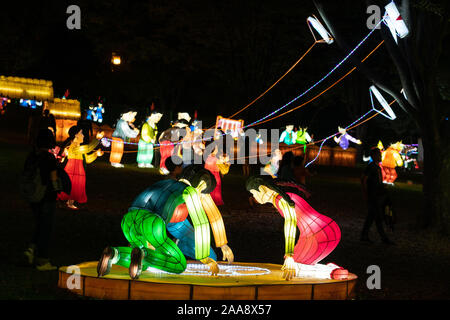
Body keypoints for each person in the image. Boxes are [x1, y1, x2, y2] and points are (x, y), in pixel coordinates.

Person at [96, 163, 229, 279]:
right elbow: (201, 223)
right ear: (201, 185)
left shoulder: (164, 182)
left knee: (143, 262)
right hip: (152, 224)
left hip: (128, 221)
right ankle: (142, 254)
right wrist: (206, 258)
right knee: (179, 264)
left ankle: (114, 254)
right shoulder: (190, 191)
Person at [246, 175, 348, 280]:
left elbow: (290, 222)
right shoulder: (283, 197)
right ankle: (331, 269)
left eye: (254, 193)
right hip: (325, 229)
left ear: (263, 189)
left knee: (292, 268)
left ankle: (332, 273)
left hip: (319, 234)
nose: (254, 197)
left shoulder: (282, 200)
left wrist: (289, 254)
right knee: (290, 266)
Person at [22, 129, 63, 270]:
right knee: (46, 227)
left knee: (39, 223)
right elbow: (53, 177)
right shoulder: (49, 158)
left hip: (33, 195)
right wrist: (58, 190)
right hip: (46, 196)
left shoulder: (32, 156)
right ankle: (42, 260)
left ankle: (31, 250)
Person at [57, 126, 104, 209]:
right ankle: (61, 202)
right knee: (70, 185)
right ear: (76, 136)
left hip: (79, 170)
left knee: (76, 187)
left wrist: (96, 154)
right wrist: (96, 139)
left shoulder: (80, 148)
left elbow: (88, 159)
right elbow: (88, 148)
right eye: (81, 133)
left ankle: (70, 203)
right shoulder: (74, 147)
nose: (83, 135)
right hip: (72, 170)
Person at [360, 148, 395, 245]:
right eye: (378, 155)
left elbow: (376, 181)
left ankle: (364, 235)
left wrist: (382, 186)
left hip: (377, 195)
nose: (380, 157)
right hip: (373, 195)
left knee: (371, 217)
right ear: (374, 156)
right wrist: (365, 193)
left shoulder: (377, 167)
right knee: (378, 217)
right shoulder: (371, 167)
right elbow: (363, 179)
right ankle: (384, 238)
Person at [204, 141, 230, 206]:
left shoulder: (208, 157)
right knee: (216, 188)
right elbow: (222, 164)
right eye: (216, 148)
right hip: (214, 175)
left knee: (211, 188)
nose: (217, 149)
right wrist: (227, 163)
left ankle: (210, 201)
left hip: (209, 175)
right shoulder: (214, 158)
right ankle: (216, 201)